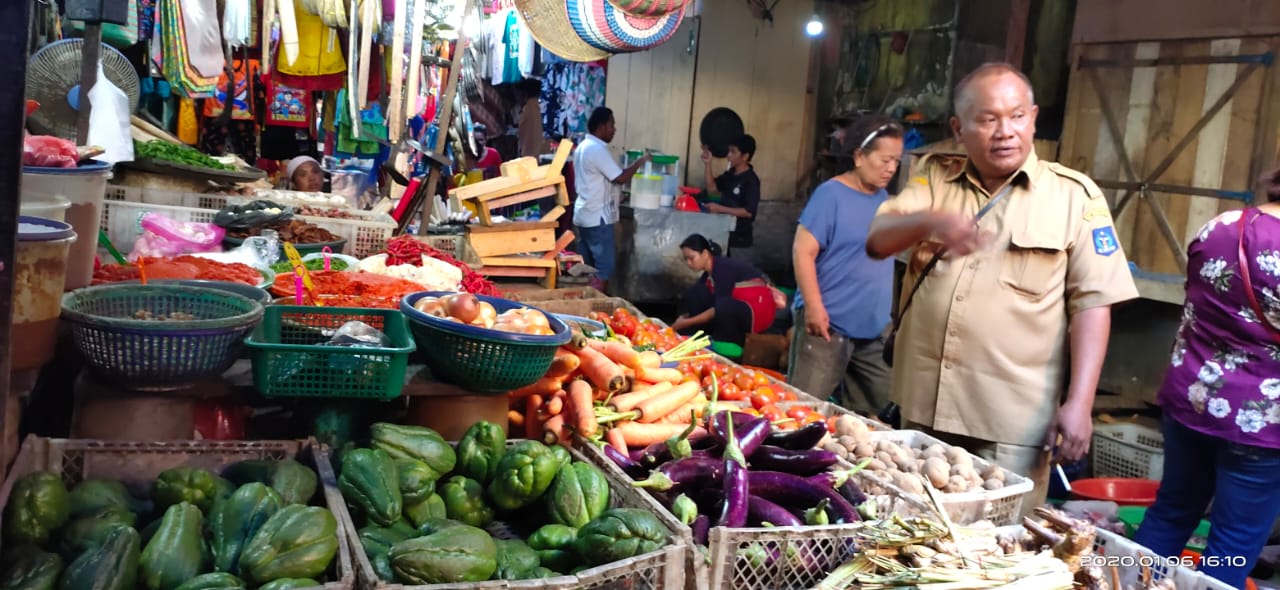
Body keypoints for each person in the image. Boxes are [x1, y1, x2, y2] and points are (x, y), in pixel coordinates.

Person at [864, 62, 1139, 510]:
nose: (1005, 131)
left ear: (1033, 118)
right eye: (988, 119)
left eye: (1016, 116)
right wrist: (931, 221)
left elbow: (1093, 303)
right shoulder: (933, 177)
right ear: (959, 128)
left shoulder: (1073, 196)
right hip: (923, 411)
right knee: (914, 532)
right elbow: (878, 240)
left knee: (1000, 540)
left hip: (1012, 427)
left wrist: (1080, 402)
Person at [1131, 171, 1280, 588]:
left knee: (1171, 513)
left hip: (1191, 399)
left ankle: (1127, 583)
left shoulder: (1220, 226)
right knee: (1233, 542)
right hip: (1260, 424)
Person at [787, 115, 902, 417]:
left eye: (896, 161)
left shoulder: (885, 201)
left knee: (875, 417)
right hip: (827, 326)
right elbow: (802, 251)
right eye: (885, 160)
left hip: (874, 330)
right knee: (802, 411)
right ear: (859, 156)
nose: (892, 168)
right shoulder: (830, 195)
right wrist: (813, 306)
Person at [573, 107, 649, 293]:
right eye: (611, 125)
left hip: (584, 214)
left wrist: (617, 196)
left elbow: (596, 182)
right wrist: (639, 163)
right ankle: (596, 304)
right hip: (598, 218)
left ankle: (584, 302)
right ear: (601, 126)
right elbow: (620, 178)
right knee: (604, 269)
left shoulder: (583, 147)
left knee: (588, 269)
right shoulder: (596, 149)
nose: (614, 129)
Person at [672, 234, 785, 347]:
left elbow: (717, 309)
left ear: (705, 254)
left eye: (691, 258)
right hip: (737, 307)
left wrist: (687, 322)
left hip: (756, 311)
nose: (688, 263)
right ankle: (700, 335)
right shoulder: (708, 274)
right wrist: (685, 318)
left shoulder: (723, 268)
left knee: (724, 306)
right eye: (686, 259)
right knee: (694, 293)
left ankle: (730, 344)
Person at [701, 134, 761, 250]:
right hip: (723, 232)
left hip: (739, 240)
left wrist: (720, 209)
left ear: (745, 156)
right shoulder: (730, 174)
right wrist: (708, 164)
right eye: (729, 151)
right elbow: (712, 190)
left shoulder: (751, 181)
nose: (728, 155)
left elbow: (748, 212)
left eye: (733, 152)